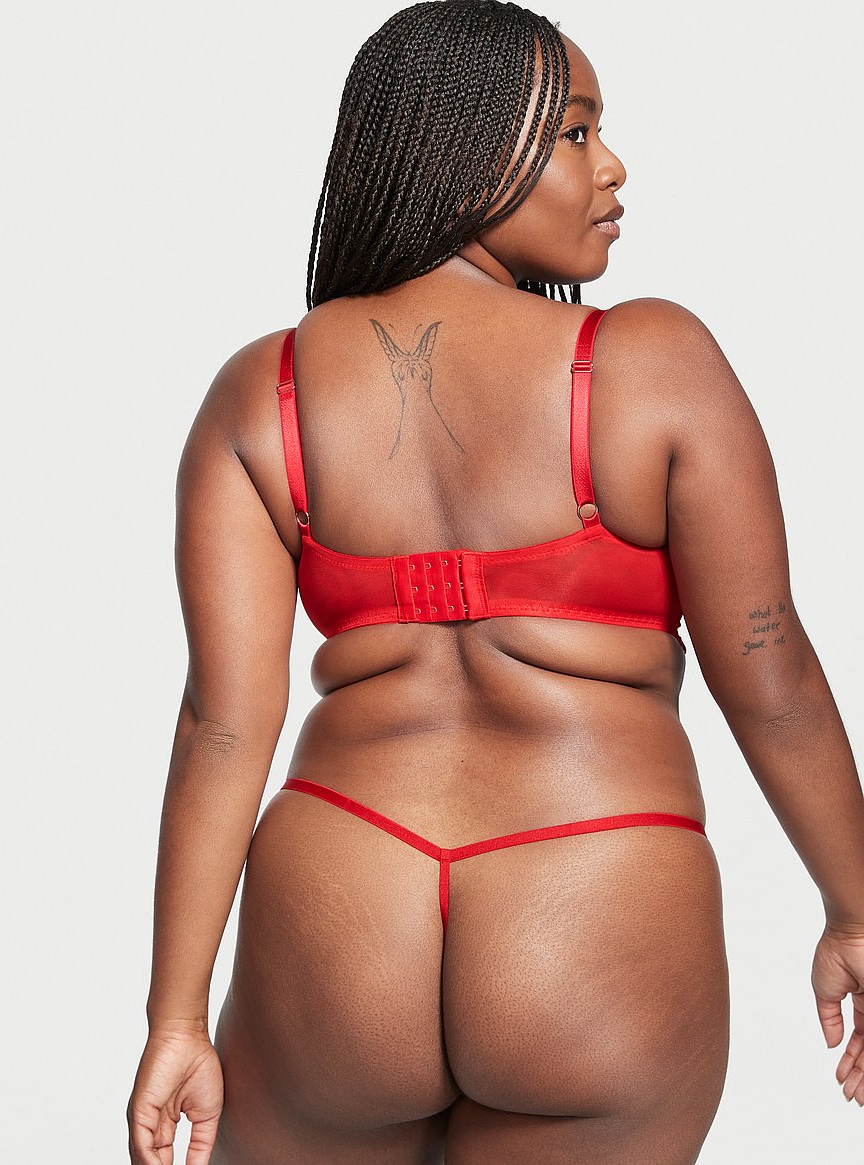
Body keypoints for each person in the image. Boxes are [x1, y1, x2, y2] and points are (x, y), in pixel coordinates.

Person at [126, 2, 864, 1162]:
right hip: (593, 891)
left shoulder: (260, 393)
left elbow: (222, 723)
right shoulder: (652, 364)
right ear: (467, 156)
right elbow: (771, 678)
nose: (611, 166)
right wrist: (855, 906)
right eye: (575, 132)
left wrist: (176, 1015)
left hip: (337, 912)